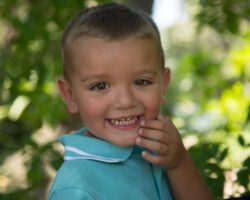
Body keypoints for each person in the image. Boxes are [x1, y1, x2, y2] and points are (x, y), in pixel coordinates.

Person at [48, 3, 214, 200]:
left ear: (163, 85)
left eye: (141, 82)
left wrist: (179, 163)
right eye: (100, 86)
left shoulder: (160, 150)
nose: (125, 102)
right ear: (70, 95)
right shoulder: (76, 188)